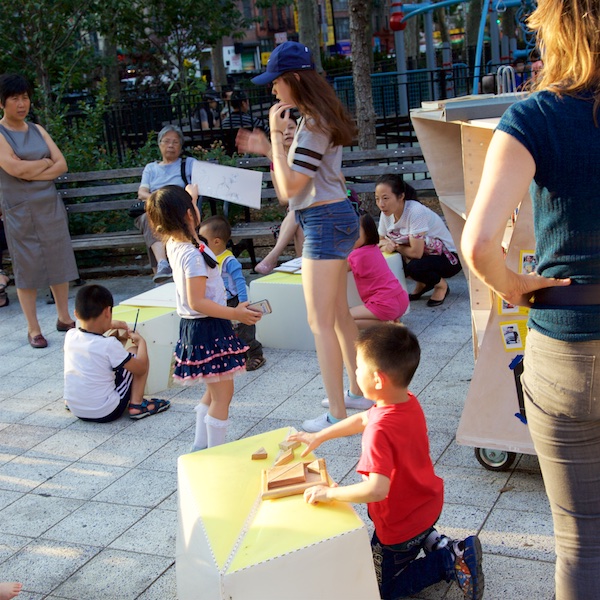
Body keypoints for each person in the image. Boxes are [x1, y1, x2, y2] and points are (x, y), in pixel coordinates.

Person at [460, 2, 600, 598]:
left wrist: (517, 286)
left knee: (580, 546)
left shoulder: (535, 118)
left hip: (567, 347)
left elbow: (480, 244)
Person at [288, 323, 484, 600]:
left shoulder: (379, 432)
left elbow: (377, 489)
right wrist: (319, 436)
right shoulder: (407, 401)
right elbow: (363, 417)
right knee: (414, 533)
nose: (353, 372)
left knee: (382, 590)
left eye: (357, 367)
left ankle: (448, 561)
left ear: (378, 380)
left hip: (399, 527)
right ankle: (435, 541)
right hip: (427, 503)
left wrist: (329, 493)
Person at [238, 41, 369, 430]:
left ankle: (336, 412)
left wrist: (274, 141)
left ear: (294, 79)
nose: (273, 90)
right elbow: (304, 181)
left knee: (320, 323)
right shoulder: (317, 118)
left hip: (324, 222)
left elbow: (288, 191)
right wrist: (273, 145)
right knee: (339, 314)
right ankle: (356, 392)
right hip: (334, 217)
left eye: (276, 82)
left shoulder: (311, 125)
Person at [145, 184, 262, 450]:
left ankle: (201, 445)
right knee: (223, 394)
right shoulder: (191, 255)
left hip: (201, 327)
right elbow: (196, 302)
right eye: (194, 206)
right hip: (207, 326)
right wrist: (236, 314)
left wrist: (190, 197)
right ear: (189, 215)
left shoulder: (176, 242)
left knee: (213, 390)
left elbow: (184, 220)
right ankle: (215, 451)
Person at [0, 73, 78, 348]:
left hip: (49, 206)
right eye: (14, 98)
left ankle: (63, 317)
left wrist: (31, 169)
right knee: (27, 268)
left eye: (25, 97)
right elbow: (14, 169)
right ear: (2, 103)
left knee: (58, 260)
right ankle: (33, 329)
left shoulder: (37, 129)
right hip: (20, 210)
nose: (22, 104)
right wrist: (44, 164)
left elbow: (62, 164)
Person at [63, 284, 171, 421]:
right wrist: (142, 342)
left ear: (76, 314)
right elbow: (141, 368)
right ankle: (137, 405)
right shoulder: (108, 345)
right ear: (108, 312)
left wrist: (112, 324)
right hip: (105, 411)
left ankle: (73, 400)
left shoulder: (70, 336)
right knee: (136, 353)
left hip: (76, 409)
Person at [376, 174, 461, 307]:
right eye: (377, 199)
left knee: (415, 267)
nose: (381, 204)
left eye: (385, 198)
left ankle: (441, 286)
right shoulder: (386, 213)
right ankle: (423, 282)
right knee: (388, 261)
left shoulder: (415, 211)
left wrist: (395, 246)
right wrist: (386, 245)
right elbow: (380, 242)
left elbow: (416, 253)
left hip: (448, 258)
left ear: (401, 196)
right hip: (424, 255)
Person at [199, 214, 266, 371]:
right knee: (228, 330)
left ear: (216, 242)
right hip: (220, 300)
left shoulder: (229, 261)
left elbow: (240, 281)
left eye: (203, 240)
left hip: (235, 299)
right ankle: (238, 356)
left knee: (244, 330)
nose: (200, 244)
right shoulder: (206, 258)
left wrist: (243, 302)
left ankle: (256, 354)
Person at [136, 125, 196, 284]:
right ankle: (163, 264)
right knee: (150, 217)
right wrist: (158, 201)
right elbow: (141, 193)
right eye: (167, 141)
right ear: (159, 144)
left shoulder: (188, 163)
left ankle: (163, 270)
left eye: (175, 142)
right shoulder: (151, 168)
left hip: (178, 208)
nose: (171, 145)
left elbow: (197, 186)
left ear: (181, 146)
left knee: (156, 217)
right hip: (154, 208)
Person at [251, 115, 304, 275]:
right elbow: (283, 198)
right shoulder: (276, 164)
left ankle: (273, 256)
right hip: (298, 211)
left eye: (291, 127)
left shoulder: (305, 153)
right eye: (281, 130)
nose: (286, 132)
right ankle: (305, 270)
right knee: (298, 214)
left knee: (298, 211)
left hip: (320, 205)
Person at [348, 214, 409, 330]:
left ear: (368, 232)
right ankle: (390, 321)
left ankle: (389, 325)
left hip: (385, 304)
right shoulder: (374, 248)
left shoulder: (356, 256)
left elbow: (338, 268)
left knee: (345, 318)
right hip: (401, 299)